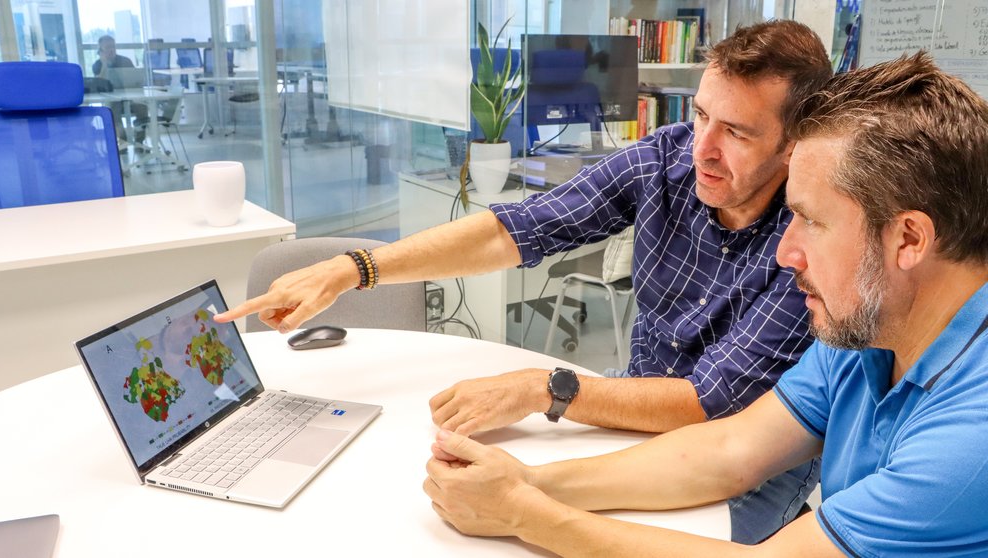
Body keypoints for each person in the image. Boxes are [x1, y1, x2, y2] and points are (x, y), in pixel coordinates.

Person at [216, 20, 832, 543]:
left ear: (793, 147)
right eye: (701, 116)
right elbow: (513, 229)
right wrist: (354, 267)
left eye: (738, 133)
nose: (704, 148)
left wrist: (548, 387)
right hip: (631, 403)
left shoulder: (810, 236)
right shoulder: (666, 159)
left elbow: (711, 403)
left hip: (748, 459)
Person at [423, 51, 988, 555]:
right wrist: (530, 482)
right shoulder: (874, 325)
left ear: (909, 240)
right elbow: (730, 449)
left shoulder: (971, 438)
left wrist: (526, 516)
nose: (787, 251)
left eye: (812, 222)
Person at [92, 35, 148, 144]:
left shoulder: (125, 61)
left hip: (129, 95)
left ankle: (139, 141)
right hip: (112, 98)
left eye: (113, 46)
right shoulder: (97, 64)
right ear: (100, 50)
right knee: (112, 111)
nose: (111, 49)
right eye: (107, 47)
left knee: (142, 107)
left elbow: (135, 79)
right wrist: (104, 64)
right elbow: (98, 82)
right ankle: (123, 141)